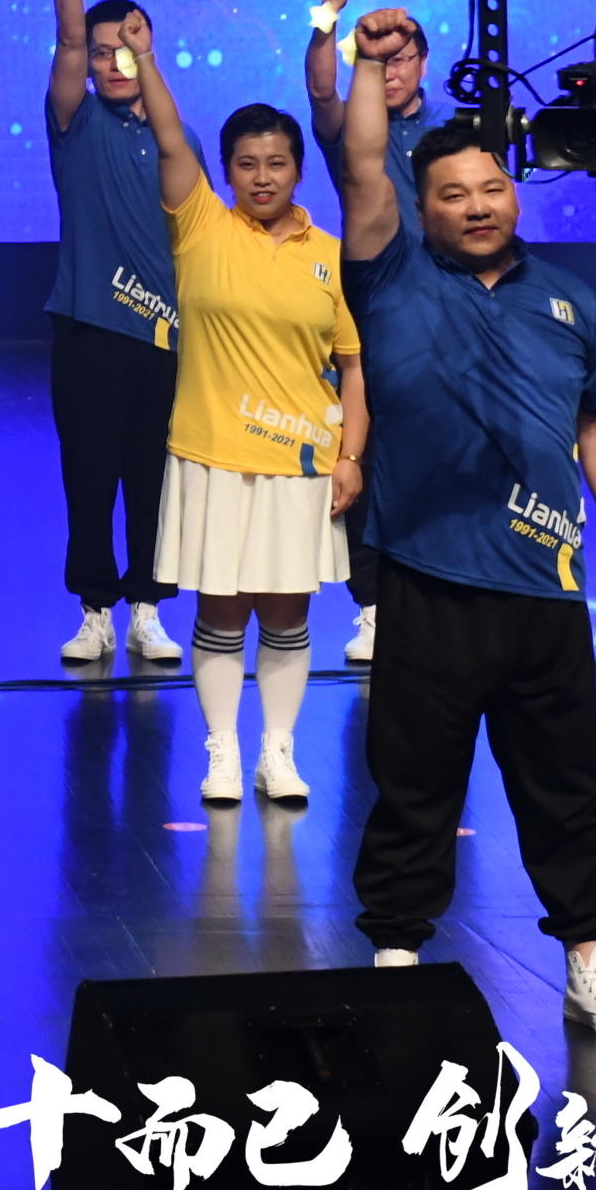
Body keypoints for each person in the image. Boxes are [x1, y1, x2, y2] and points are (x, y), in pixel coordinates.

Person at [334, 24, 596, 1039]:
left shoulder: (570, 299)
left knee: (567, 788)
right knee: (415, 784)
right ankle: (395, 957)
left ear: (514, 193)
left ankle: (589, 965)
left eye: (492, 189)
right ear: (420, 207)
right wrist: (363, 59)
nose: (477, 206)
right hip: (430, 578)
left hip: (545, 587)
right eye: (453, 194)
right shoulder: (388, 275)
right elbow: (362, 161)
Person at [129, 54, 363, 807]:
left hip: (303, 463)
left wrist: (352, 456)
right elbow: (170, 137)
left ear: (299, 171)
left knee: (289, 615)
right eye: (247, 164)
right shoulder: (200, 225)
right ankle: (223, 751)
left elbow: (354, 367)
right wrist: (145, 58)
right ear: (225, 170)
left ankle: (278, 753)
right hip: (213, 458)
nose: (263, 177)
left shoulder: (331, 258)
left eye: (277, 163)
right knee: (222, 613)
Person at [39, 0, 180, 667]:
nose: (115, 60)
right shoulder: (74, 120)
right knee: (89, 477)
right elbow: (67, 40)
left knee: (155, 479)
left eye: (130, 47)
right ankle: (94, 609)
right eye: (103, 51)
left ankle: (147, 610)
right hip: (88, 328)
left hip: (164, 336)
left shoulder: (173, 135)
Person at [304, 0, 431, 665]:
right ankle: (374, 607)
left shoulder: (457, 131)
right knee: (366, 456)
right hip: (373, 306)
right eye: (381, 58)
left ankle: (439, 597)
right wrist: (330, 13)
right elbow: (322, 91)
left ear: (423, 64)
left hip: (443, 314)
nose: (392, 69)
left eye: (404, 57)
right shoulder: (353, 131)